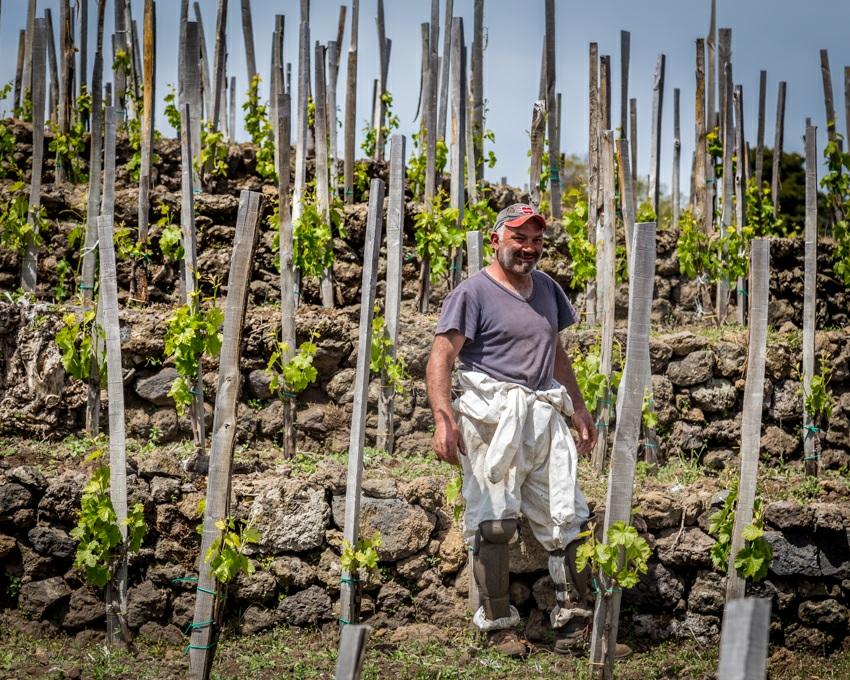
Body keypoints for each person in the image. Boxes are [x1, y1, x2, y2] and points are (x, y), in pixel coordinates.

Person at [425, 203, 627, 658]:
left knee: (568, 520)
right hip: (491, 420)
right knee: (494, 524)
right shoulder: (473, 292)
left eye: (536, 241)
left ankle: (574, 625)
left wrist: (577, 406)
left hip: (541, 417)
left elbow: (554, 351)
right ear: (497, 240)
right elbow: (441, 357)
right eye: (520, 238)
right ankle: (498, 628)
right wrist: (444, 418)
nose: (529, 248)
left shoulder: (548, 291)